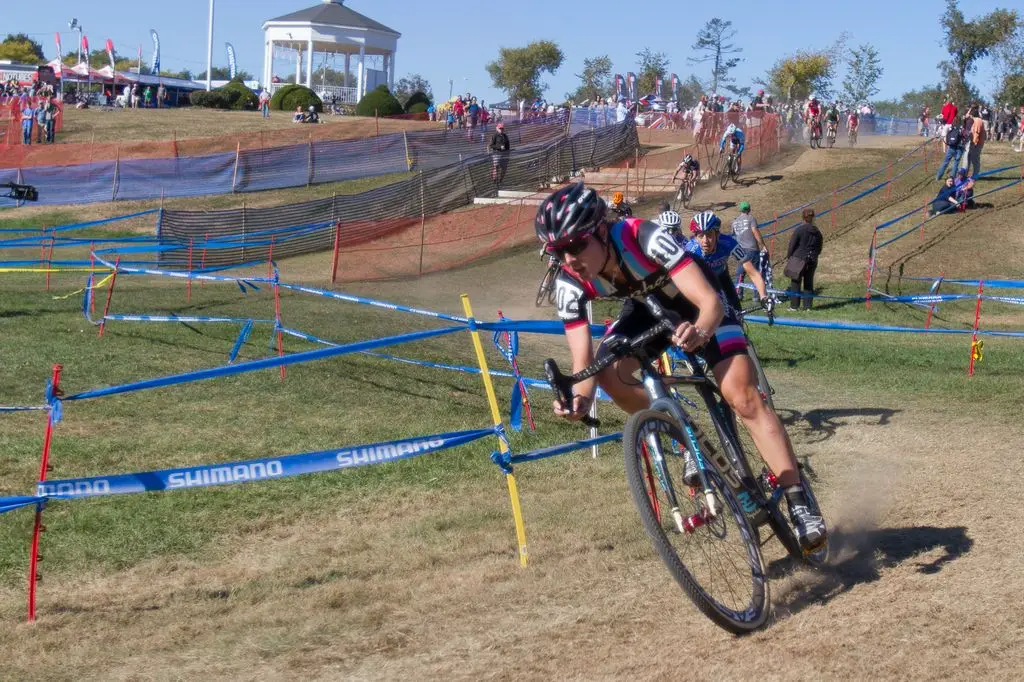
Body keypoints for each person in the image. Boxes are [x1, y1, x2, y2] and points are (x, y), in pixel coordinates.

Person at [536, 183, 825, 550]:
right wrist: (577, 401)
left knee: (741, 396)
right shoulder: (569, 282)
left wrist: (702, 330)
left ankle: (798, 501)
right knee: (607, 371)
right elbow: (583, 363)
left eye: (576, 246)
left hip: (699, 304)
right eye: (558, 252)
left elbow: (708, 301)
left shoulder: (643, 236)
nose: (569, 259)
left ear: (599, 230)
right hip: (644, 310)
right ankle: (684, 437)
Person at [785, 208, 823, 311]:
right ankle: (808, 307)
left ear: (803, 218)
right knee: (809, 283)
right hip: (812, 260)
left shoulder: (799, 230)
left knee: (795, 282)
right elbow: (819, 248)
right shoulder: (818, 232)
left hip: (799, 259)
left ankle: (794, 306)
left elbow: (792, 245)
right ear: (813, 218)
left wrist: (790, 258)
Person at [729, 201, 769, 297]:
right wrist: (763, 245)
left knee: (740, 274)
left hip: (740, 251)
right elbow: (755, 231)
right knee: (755, 273)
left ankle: (739, 294)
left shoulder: (734, 221)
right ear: (749, 209)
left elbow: (732, 235)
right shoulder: (751, 218)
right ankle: (757, 295)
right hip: (752, 249)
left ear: (740, 210)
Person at [489, 122, 510, 188]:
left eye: (502, 128)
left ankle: (500, 181)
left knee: (504, 169)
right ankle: (494, 182)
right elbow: (491, 145)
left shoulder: (505, 136)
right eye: (500, 128)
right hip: (496, 154)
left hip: (505, 154)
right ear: (497, 128)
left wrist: (508, 152)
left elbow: (508, 145)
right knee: (496, 167)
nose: (501, 129)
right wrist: (499, 147)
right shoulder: (494, 136)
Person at [967, 109, 986, 177]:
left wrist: (974, 142)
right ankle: (966, 174)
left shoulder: (977, 120)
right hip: (975, 142)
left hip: (976, 143)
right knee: (969, 158)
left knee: (975, 160)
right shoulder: (976, 120)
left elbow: (976, 132)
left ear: (972, 115)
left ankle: (975, 175)